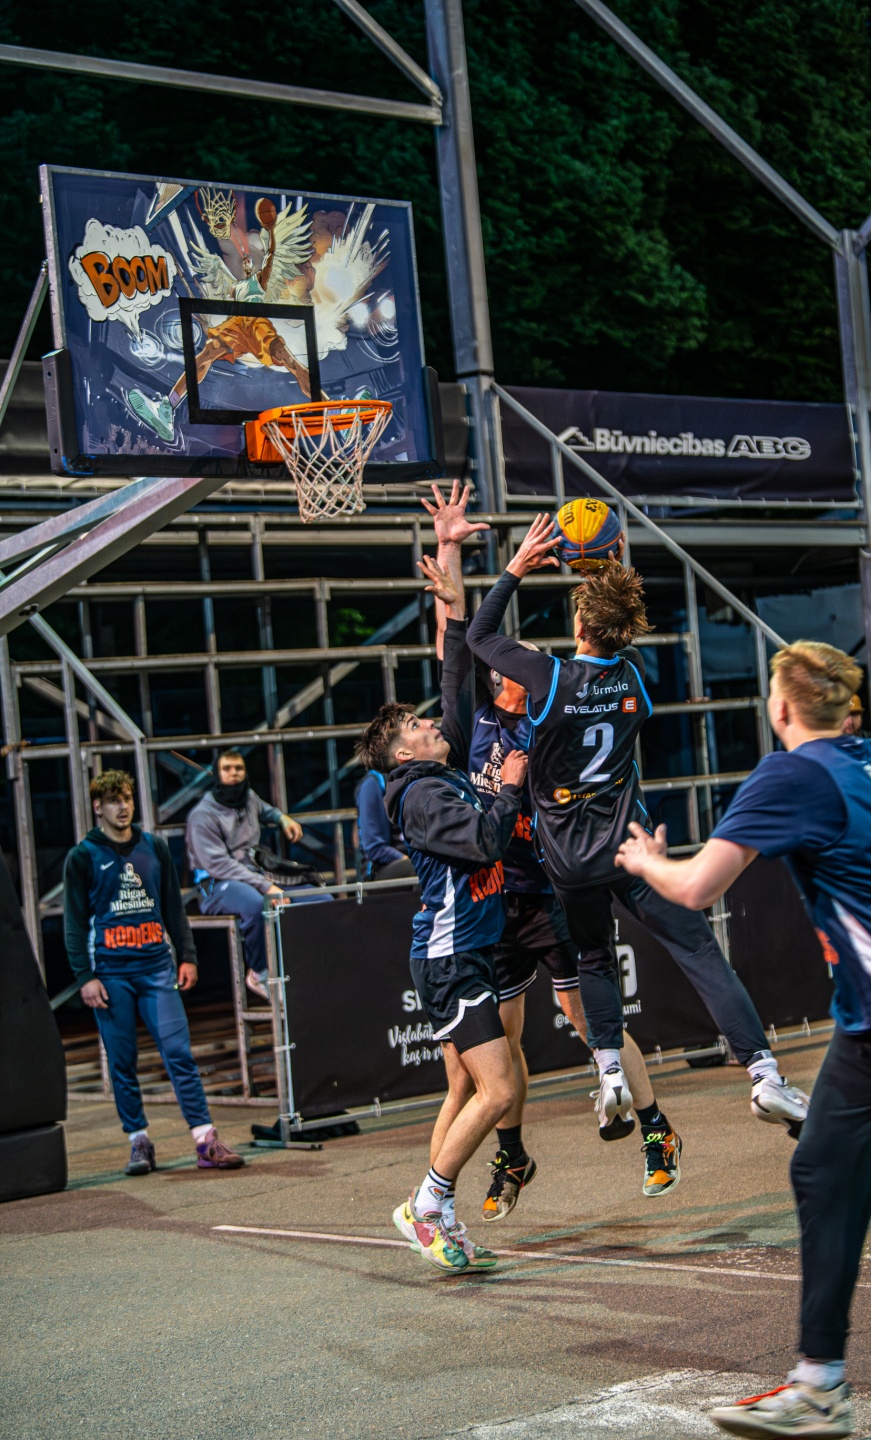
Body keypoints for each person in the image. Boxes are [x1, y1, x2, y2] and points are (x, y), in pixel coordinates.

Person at [615, 640, 871, 1439]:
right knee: (821, 1172)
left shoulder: (790, 775)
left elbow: (697, 887)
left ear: (778, 709)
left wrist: (646, 861)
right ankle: (818, 1386)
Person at [467, 515, 809, 1194]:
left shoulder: (546, 677)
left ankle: (610, 1071)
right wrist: (610, 572)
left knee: (594, 957)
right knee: (699, 950)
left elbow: (479, 636)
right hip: (632, 847)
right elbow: (615, 627)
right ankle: (764, 1073)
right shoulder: (632, 676)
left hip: (570, 862)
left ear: (580, 625)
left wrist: (516, 568)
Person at [420, 482, 675, 1212]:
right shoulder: (471, 725)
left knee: (588, 1017)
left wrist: (599, 579)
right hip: (494, 901)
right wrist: (449, 550)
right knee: (495, 1049)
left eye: (522, 658)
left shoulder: (552, 716)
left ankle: (656, 1129)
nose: (510, 663)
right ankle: (512, 1156)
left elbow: (573, 663)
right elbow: (456, 637)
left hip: (553, 889)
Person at [356, 563, 527, 1275]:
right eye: (419, 726)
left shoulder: (438, 769)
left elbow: (455, 677)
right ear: (405, 751)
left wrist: (454, 589)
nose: (433, 723)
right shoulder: (422, 797)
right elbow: (486, 841)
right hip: (451, 959)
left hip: (465, 951)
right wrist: (509, 790)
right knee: (500, 1089)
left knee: (464, 1088)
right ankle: (425, 1205)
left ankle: (440, 1214)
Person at [63, 770, 245, 1174]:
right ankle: (139, 1141)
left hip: (156, 968)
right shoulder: (83, 856)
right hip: (112, 974)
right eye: (114, 800)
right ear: (98, 807)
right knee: (122, 1061)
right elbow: (74, 923)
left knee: (179, 1053)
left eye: (127, 798)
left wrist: (188, 956)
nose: (123, 806)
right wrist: (84, 977)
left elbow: (173, 908)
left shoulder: (154, 847)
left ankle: (205, 1140)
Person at [185, 749, 305, 1001]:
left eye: (238, 768)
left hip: (254, 875)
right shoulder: (202, 815)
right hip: (216, 884)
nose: (234, 774)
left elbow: (266, 810)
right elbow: (220, 865)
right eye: (227, 769)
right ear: (218, 774)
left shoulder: (249, 798)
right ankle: (260, 973)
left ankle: (308, 968)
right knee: (256, 905)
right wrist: (265, 886)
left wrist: (283, 818)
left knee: (316, 897)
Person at [355, 768, 415, 881]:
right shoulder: (373, 783)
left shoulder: (417, 778)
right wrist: (411, 860)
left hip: (413, 859)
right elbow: (375, 849)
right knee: (422, 869)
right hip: (380, 868)